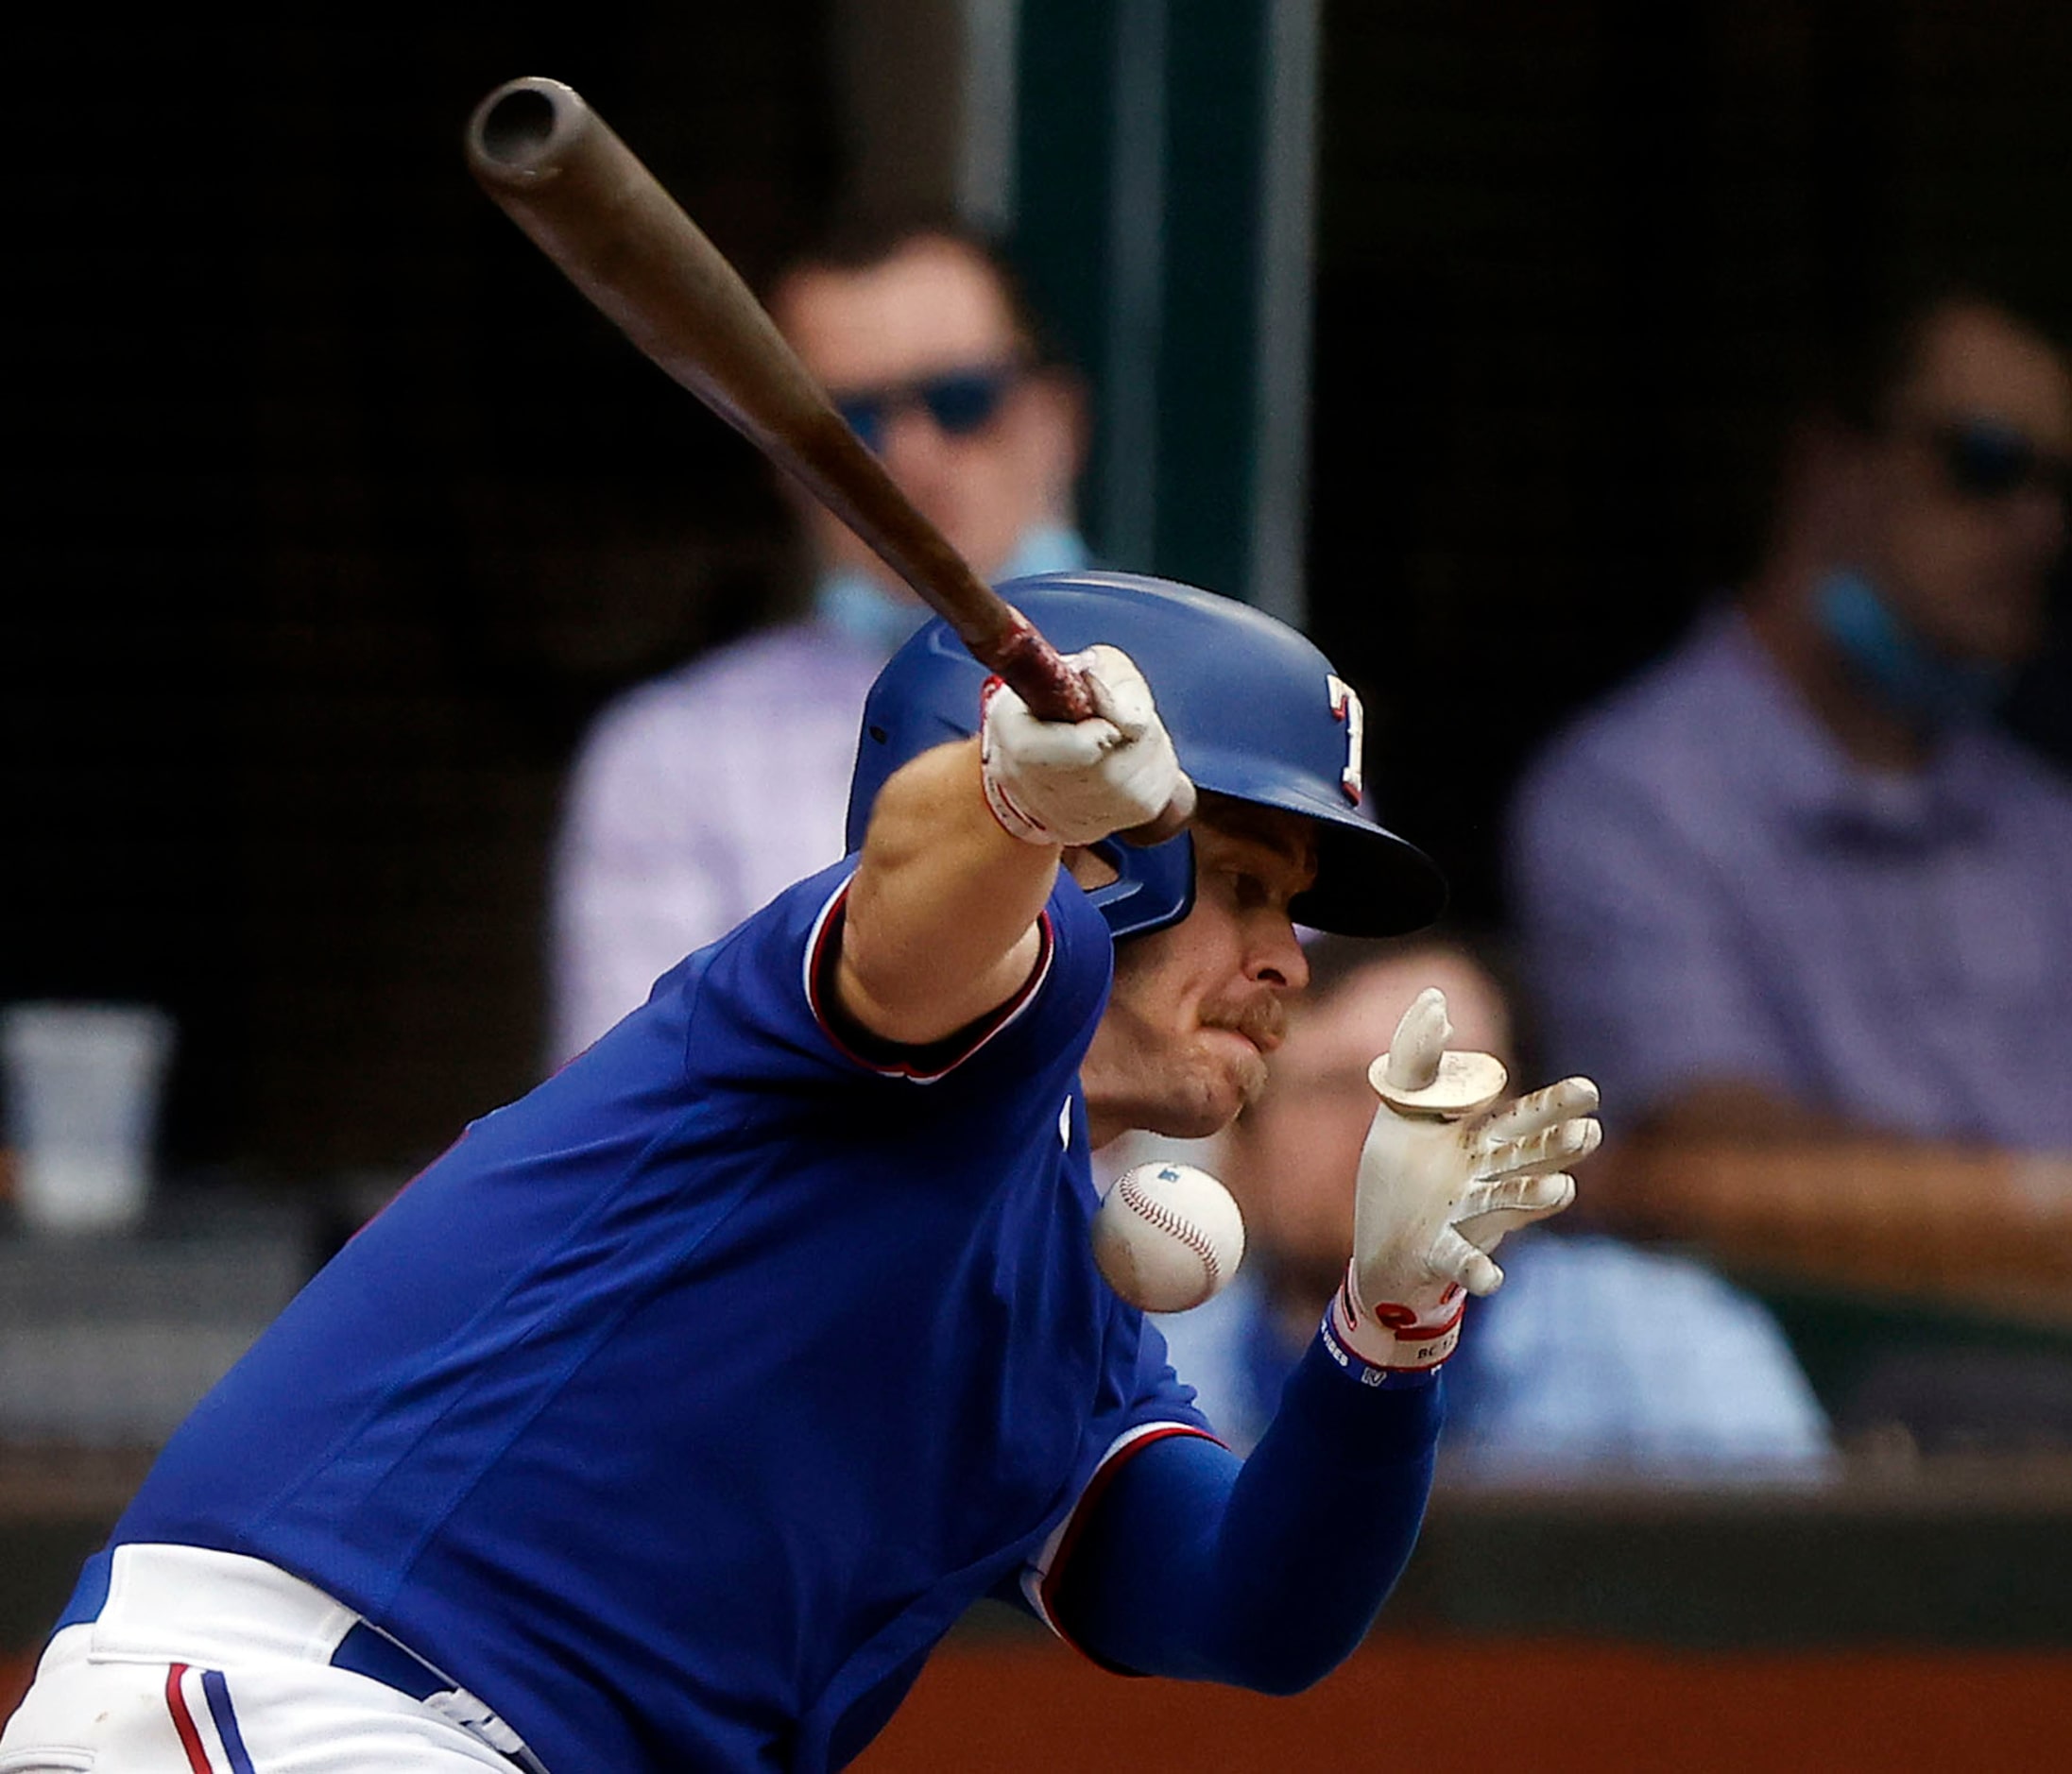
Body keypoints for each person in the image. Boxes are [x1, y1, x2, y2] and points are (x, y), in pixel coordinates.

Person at [2, 573, 1601, 1773]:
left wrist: (1389, 1326)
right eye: (1244, 884)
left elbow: (1250, 1604)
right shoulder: (898, 1010)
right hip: (310, 1706)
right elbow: (915, 915)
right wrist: (1009, 802)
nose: (1284, 966)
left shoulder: (1059, 1316)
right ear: (1108, 862)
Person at [1507, 288, 2072, 1151]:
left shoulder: (2044, 825)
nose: (2038, 527)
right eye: (1985, 462)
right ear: (1830, 467)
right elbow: (1708, 1163)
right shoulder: (1629, 799)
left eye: (2057, 486)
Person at [549, 214, 1092, 1063]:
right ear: (783, 464)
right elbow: (632, 1113)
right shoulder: (668, 757)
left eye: (960, 401)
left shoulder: (1232, 696)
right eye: (853, 425)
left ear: (1057, 418)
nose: (911, 457)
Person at [1158, 937, 1833, 1478]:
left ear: (1534, 1132)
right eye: (1337, 1088)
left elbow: (1801, 1610)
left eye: (1444, 1090)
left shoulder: (1673, 1341)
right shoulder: (1143, 1363)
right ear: (1240, 1148)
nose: (1390, 1141)